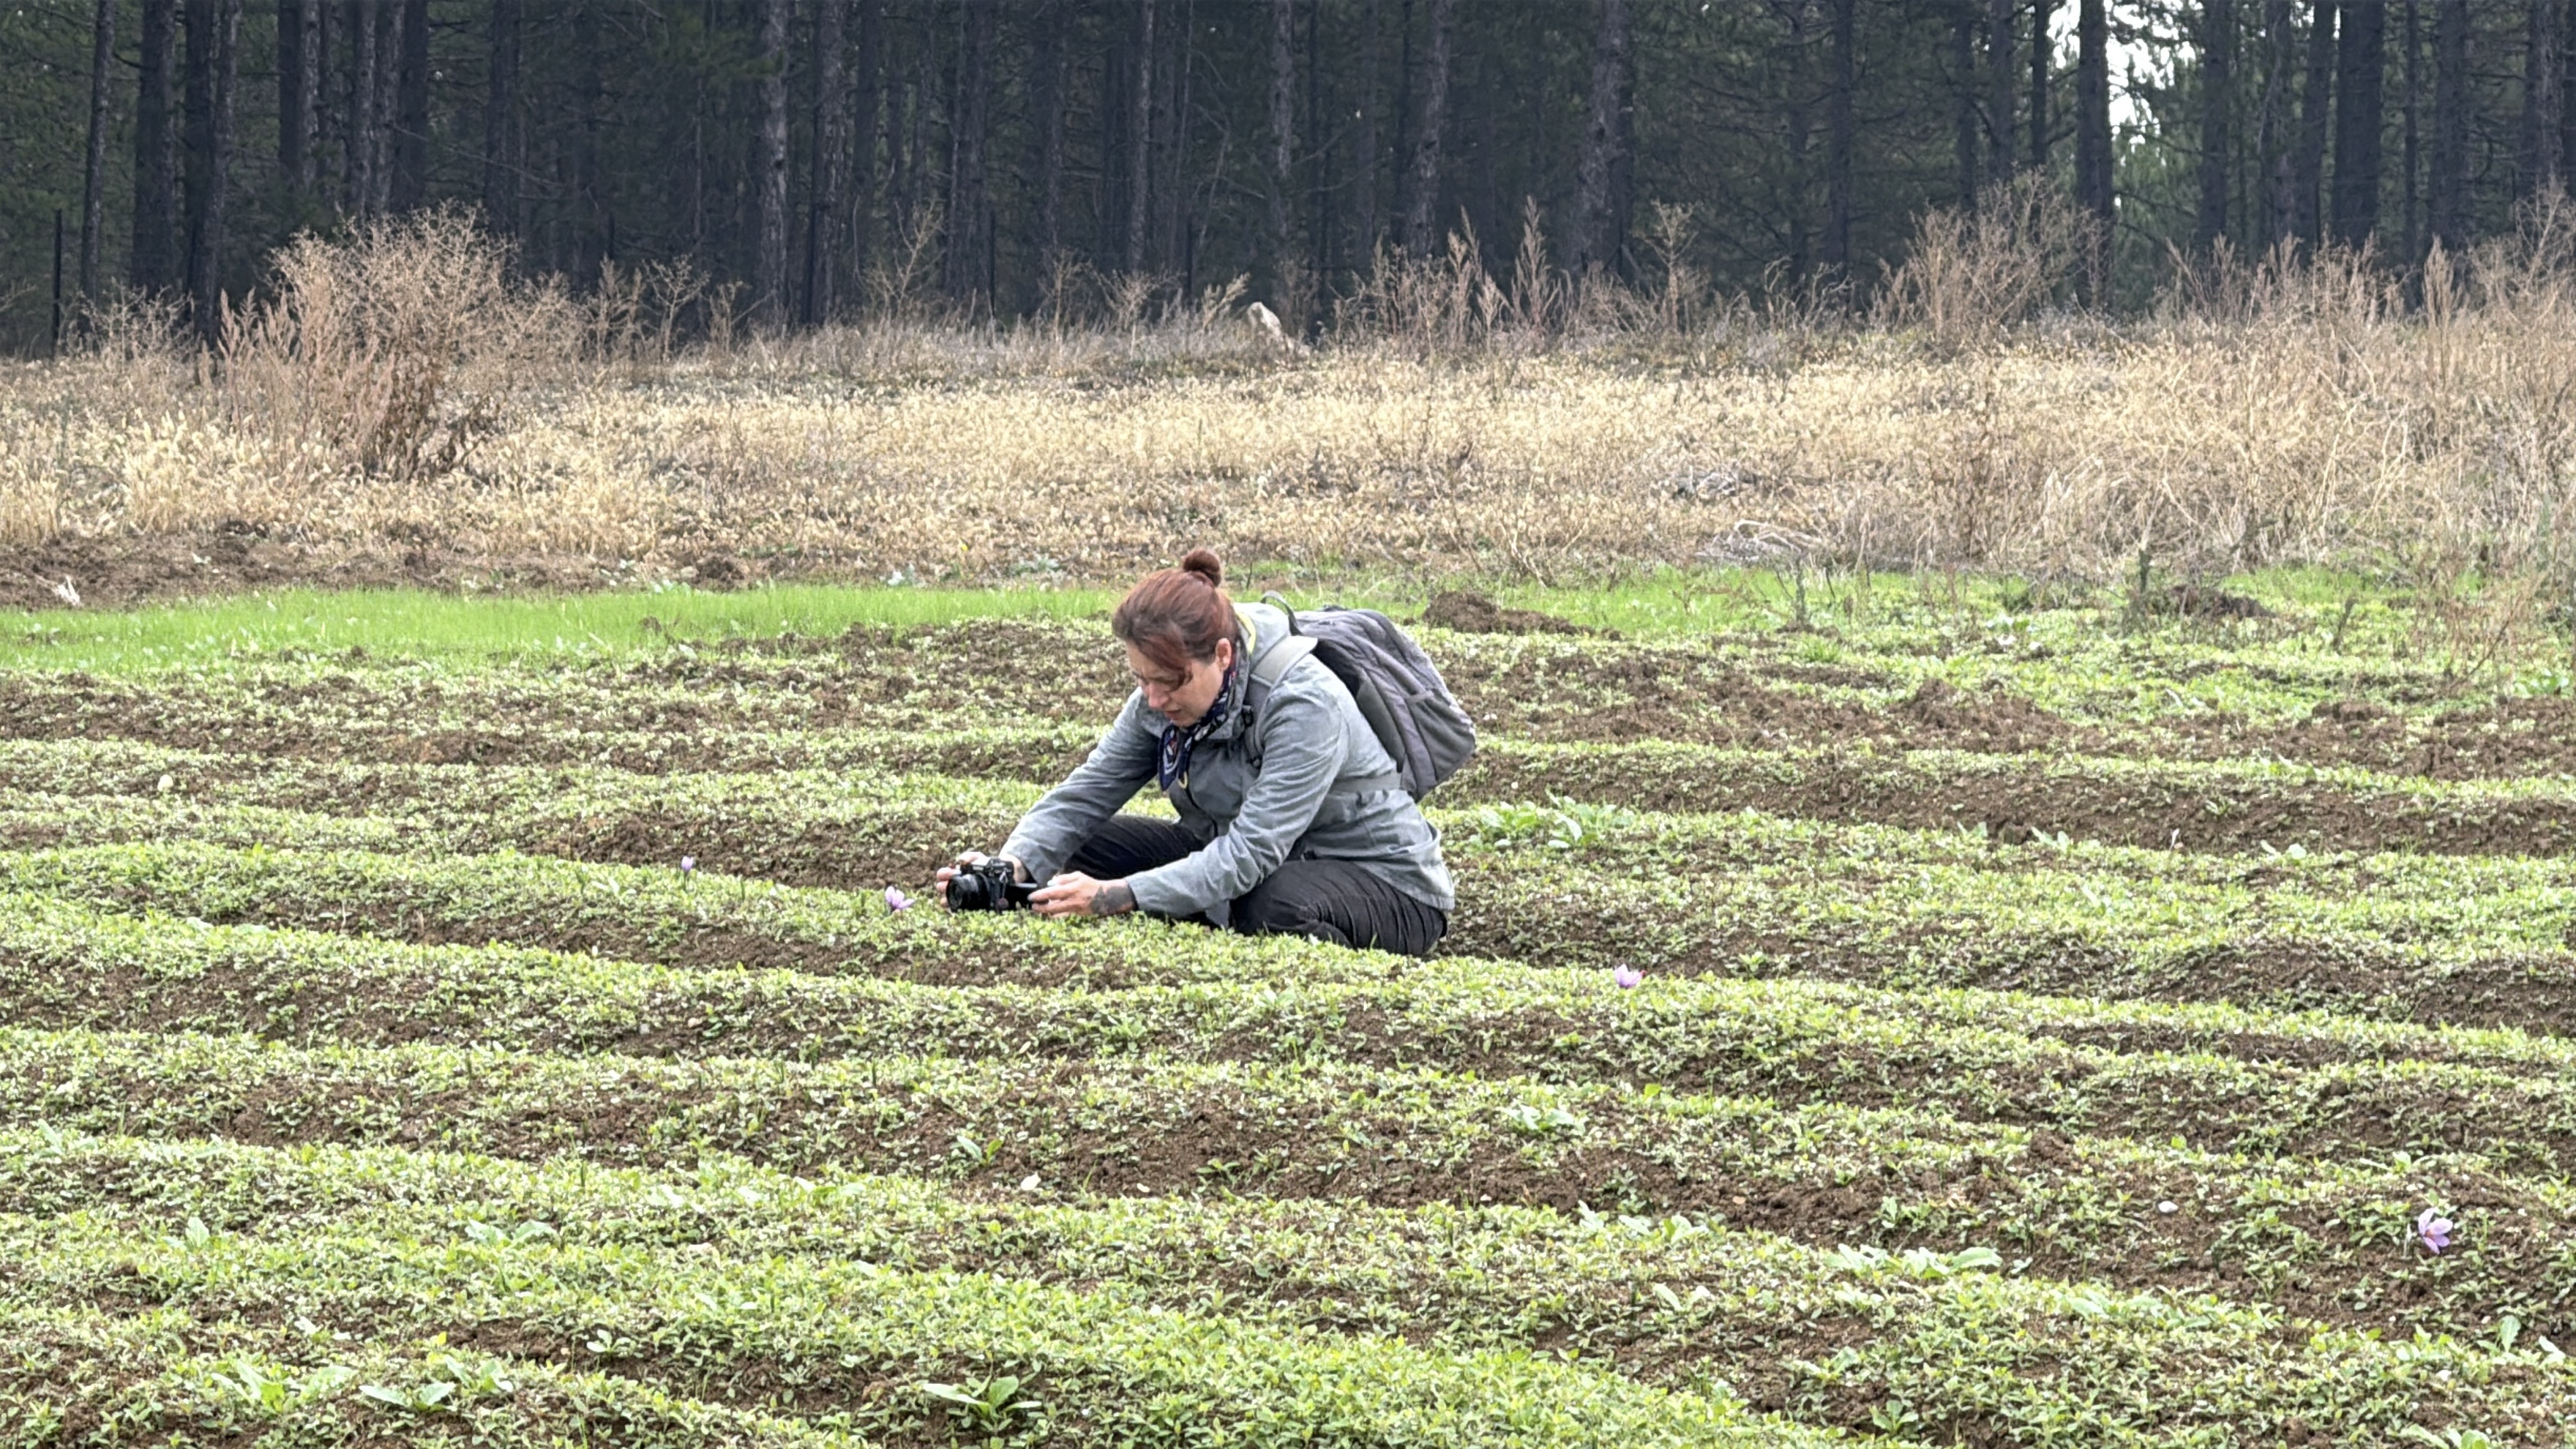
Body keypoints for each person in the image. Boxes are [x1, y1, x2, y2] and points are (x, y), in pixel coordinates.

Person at [935, 549, 1453, 956]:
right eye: (1141, 680)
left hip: (1386, 887)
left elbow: (1251, 853)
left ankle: (1297, 954)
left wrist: (1118, 896)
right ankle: (1204, 911)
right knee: (1078, 849)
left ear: (1222, 656)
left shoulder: (1305, 704)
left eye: (1169, 682)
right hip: (1264, 865)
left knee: (1271, 906)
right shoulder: (1158, 700)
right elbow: (1084, 795)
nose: (1155, 700)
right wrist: (1009, 870)